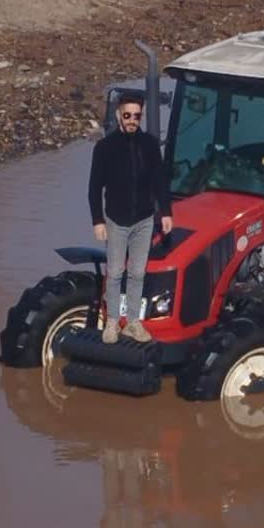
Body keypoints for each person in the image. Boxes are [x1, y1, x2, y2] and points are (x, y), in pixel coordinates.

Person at [88, 92, 173, 344]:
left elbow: (159, 182)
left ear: (141, 117)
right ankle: (113, 322)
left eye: (137, 116)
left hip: (144, 219)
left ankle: (133, 322)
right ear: (118, 115)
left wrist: (166, 212)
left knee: (137, 272)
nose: (132, 120)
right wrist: (97, 220)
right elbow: (94, 188)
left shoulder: (149, 144)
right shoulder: (104, 148)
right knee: (114, 273)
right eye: (127, 115)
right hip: (116, 219)